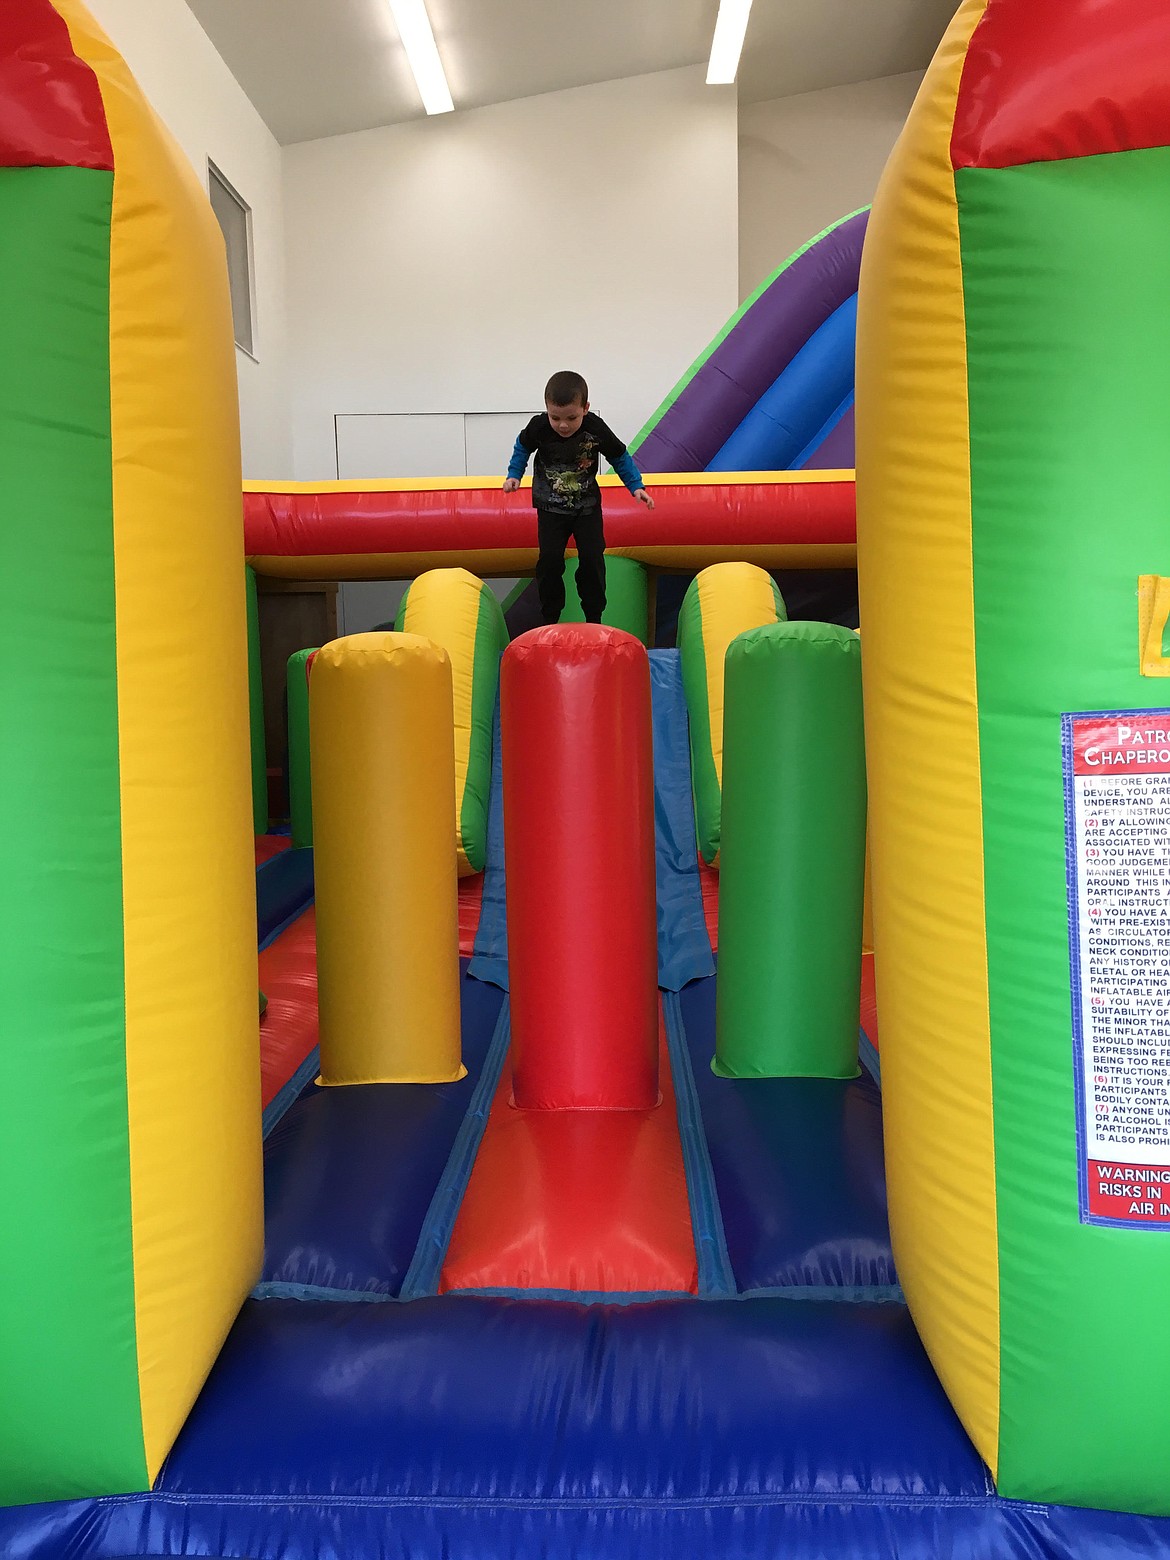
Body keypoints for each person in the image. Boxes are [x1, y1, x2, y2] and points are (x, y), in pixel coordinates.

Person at [503, 370, 654, 626]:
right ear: (547, 410)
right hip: (550, 509)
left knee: (593, 560)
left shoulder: (595, 428)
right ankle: (550, 617)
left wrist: (635, 485)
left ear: (585, 408)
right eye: (555, 417)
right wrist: (514, 474)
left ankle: (593, 617)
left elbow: (618, 455)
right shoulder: (539, 426)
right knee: (549, 563)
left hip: (586, 509)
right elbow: (522, 446)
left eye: (571, 417)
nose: (563, 425)